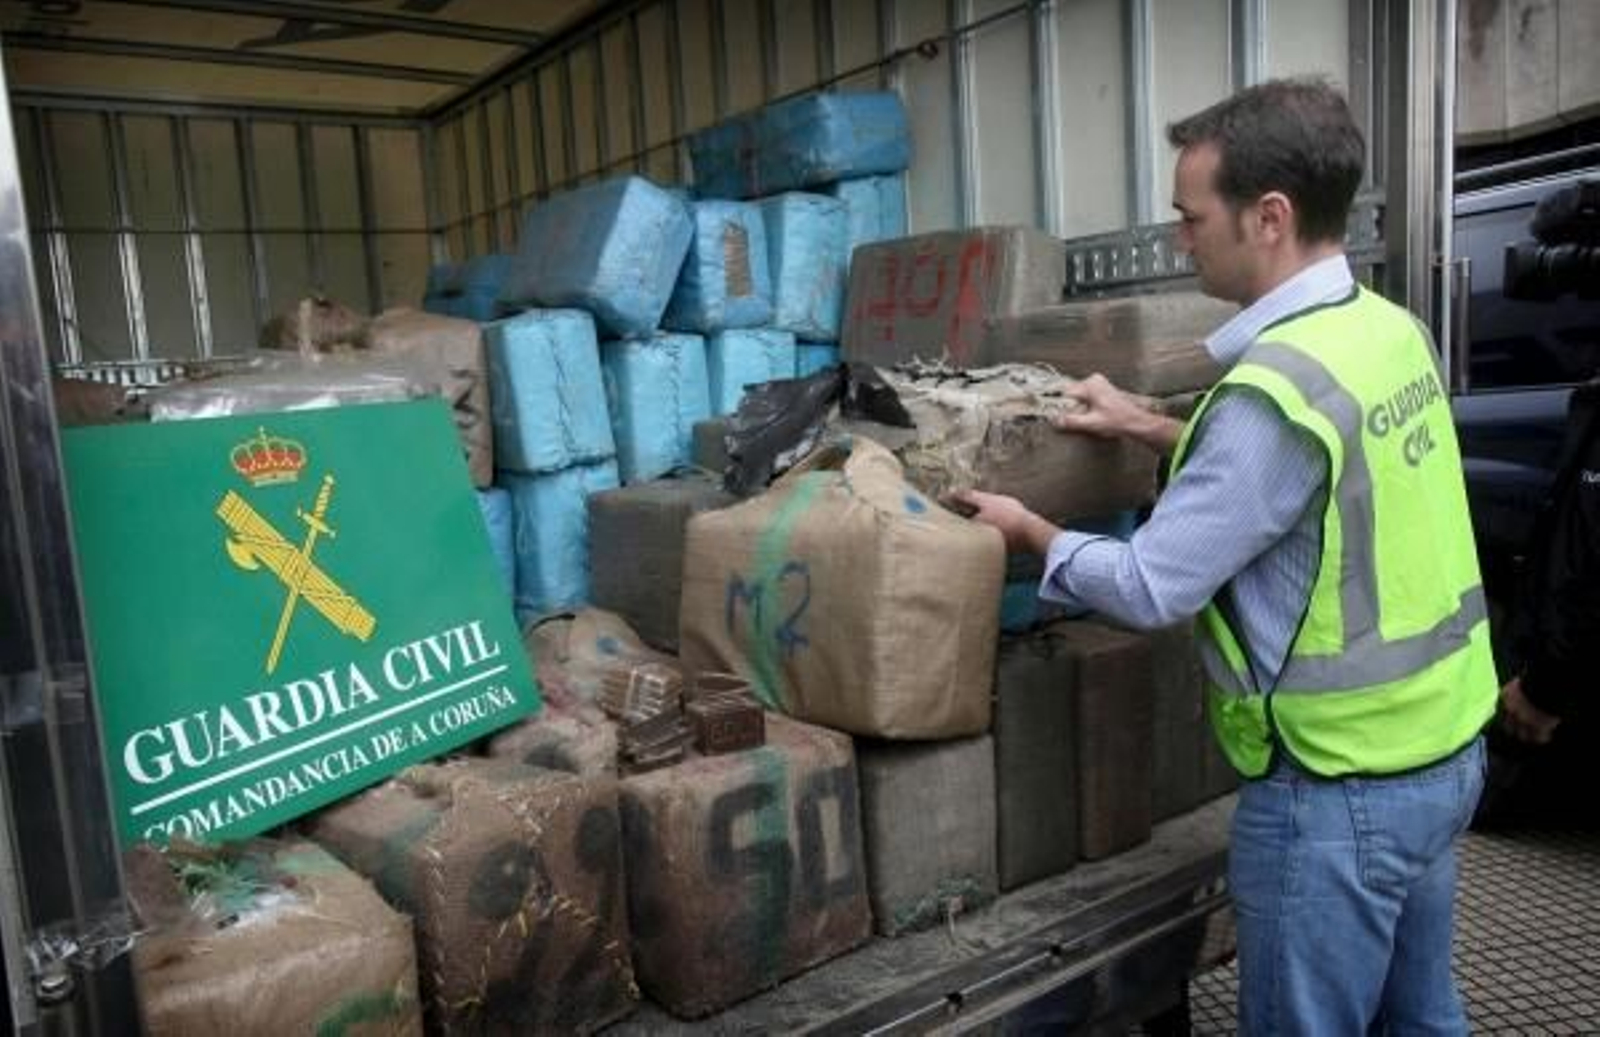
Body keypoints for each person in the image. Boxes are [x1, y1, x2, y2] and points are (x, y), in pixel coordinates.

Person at [957, 78, 1496, 1035]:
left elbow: (1152, 583)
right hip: (1444, 756)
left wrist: (1028, 530)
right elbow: (1304, 483)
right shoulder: (1386, 330)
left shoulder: (1270, 392)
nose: (1180, 237)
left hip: (1339, 797)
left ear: (1271, 217)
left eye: (1191, 215)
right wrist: (1145, 422)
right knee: (1423, 1020)